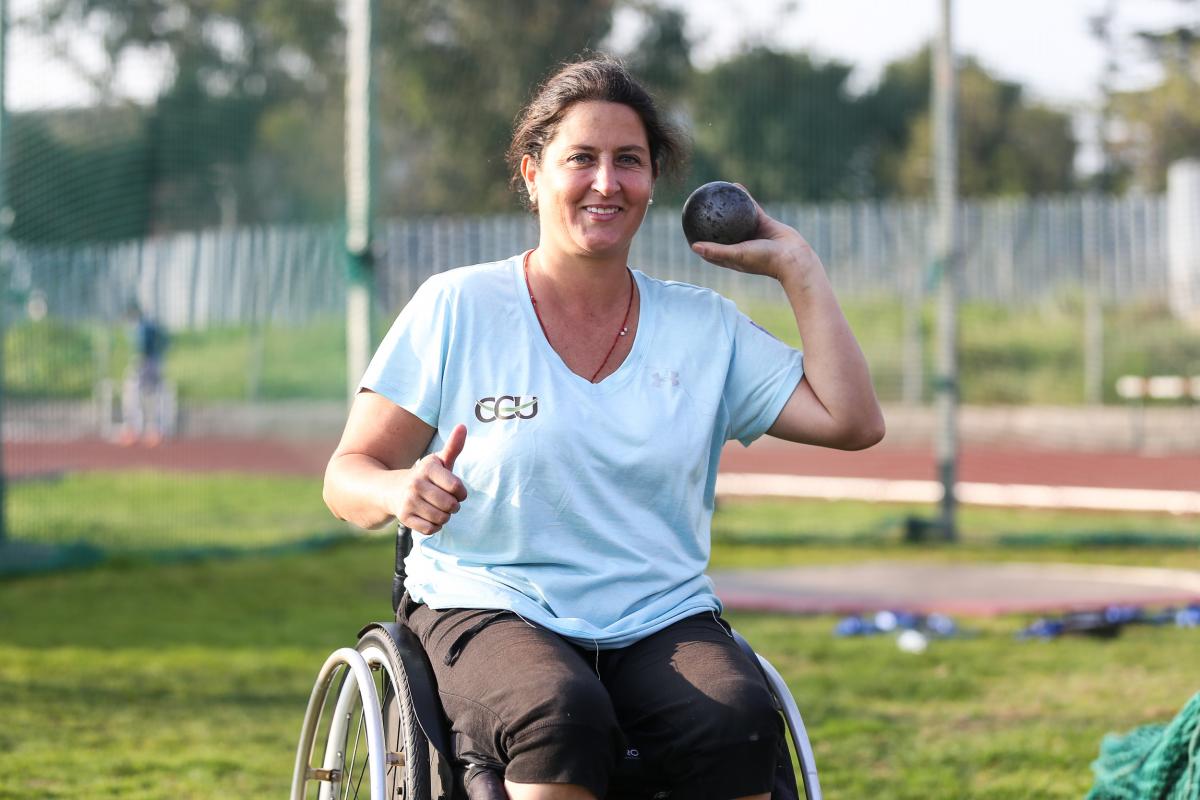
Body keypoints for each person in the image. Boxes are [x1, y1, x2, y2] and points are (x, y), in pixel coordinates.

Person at [323, 54, 884, 800]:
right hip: (491, 602)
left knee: (740, 718)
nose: (606, 182)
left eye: (630, 161)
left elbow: (852, 421)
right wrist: (400, 489)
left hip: (660, 616)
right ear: (532, 173)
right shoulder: (456, 307)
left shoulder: (701, 327)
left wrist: (798, 269)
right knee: (560, 712)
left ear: (654, 183)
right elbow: (346, 474)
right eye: (580, 159)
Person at [119, 301, 170, 447]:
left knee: (133, 394)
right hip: (156, 364)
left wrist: (142, 360)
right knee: (154, 397)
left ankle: (138, 430)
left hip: (146, 364)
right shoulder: (151, 326)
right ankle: (152, 431)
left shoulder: (142, 327)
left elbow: (143, 347)